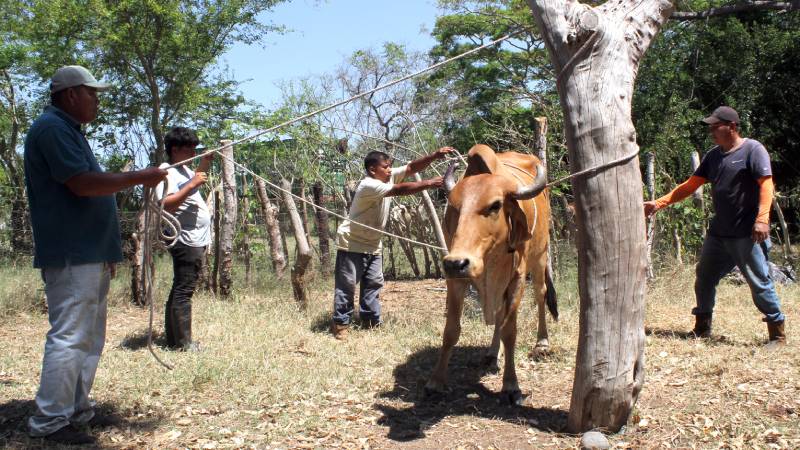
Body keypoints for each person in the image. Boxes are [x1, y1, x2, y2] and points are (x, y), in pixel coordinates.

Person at [24, 65, 168, 445]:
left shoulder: (68, 131)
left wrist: (106, 250)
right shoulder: (53, 129)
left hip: (88, 251)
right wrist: (140, 177)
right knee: (71, 337)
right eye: (92, 93)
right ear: (71, 94)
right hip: (73, 252)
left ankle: (75, 409)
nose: (97, 101)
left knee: (88, 337)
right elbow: (83, 184)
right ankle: (50, 422)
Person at [644, 106, 786, 346]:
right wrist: (659, 203)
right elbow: (690, 185)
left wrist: (762, 219)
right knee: (704, 277)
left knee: (759, 281)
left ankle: (777, 333)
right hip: (719, 233)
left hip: (747, 233)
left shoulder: (753, 150)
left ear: (732, 127)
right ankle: (702, 327)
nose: (711, 131)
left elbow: (766, 184)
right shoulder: (713, 156)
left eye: (715, 126)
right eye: (710, 127)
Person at [331, 147, 454, 340]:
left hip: (373, 244)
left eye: (390, 166)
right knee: (347, 286)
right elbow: (398, 190)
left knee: (373, 284)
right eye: (386, 167)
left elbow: (411, 167)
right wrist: (430, 183)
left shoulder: (386, 177)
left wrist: (434, 156)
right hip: (352, 243)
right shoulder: (369, 185)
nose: (390, 170)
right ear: (373, 169)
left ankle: (371, 322)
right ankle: (341, 324)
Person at [156, 127, 213, 351]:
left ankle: (175, 340)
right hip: (185, 239)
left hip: (193, 238)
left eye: (194, 149)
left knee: (179, 288)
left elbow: (192, 182)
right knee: (184, 290)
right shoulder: (165, 171)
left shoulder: (184, 170)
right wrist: (192, 184)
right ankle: (183, 344)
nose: (193, 153)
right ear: (175, 149)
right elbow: (166, 204)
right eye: (189, 149)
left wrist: (204, 164)